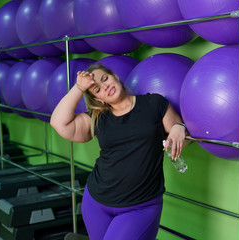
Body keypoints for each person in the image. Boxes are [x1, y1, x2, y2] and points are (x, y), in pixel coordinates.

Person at [50, 63, 187, 240]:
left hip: (140, 206)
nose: (105, 87)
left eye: (105, 78)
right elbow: (58, 123)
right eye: (97, 89)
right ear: (98, 99)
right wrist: (79, 87)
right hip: (96, 203)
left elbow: (180, 138)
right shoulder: (97, 119)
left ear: (114, 76)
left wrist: (179, 126)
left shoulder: (154, 103)